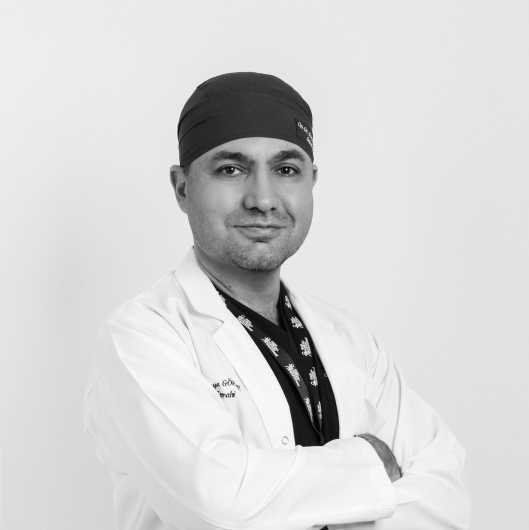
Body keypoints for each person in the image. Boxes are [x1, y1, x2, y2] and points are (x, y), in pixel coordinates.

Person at [84, 72, 471, 530]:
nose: (263, 199)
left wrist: (280, 494)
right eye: (231, 169)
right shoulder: (142, 338)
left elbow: (447, 497)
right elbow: (218, 507)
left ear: (311, 182)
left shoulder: (350, 340)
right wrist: (374, 464)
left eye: (286, 170)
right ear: (182, 187)